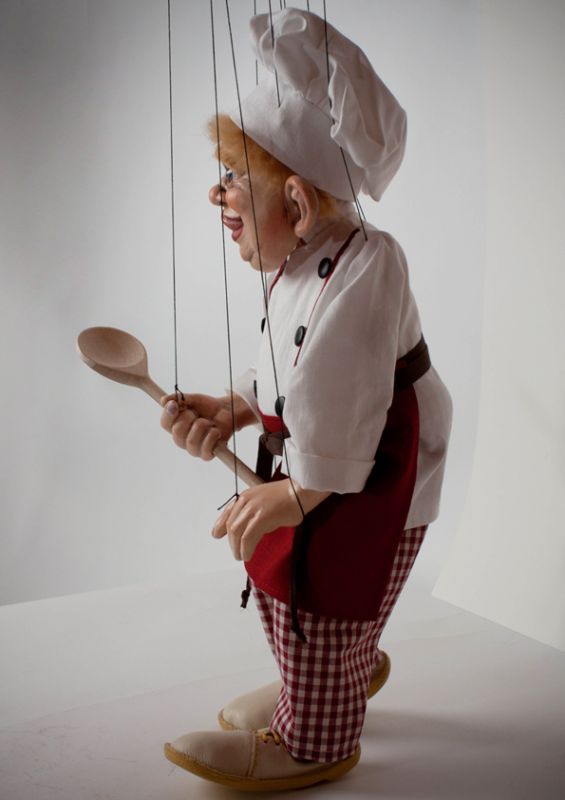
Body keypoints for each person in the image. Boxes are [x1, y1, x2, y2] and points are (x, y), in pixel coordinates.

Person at [159, 7, 452, 792]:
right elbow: (287, 362)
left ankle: (316, 735)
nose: (216, 194)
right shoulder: (302, 256)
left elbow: (347, 397)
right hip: (325, 460)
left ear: (295, 201)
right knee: (297, 585)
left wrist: (297, 493)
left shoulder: (366, 264)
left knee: (321, 592)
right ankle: (328, 678)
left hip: (372, 468)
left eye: (233, 178)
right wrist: (235, 407)